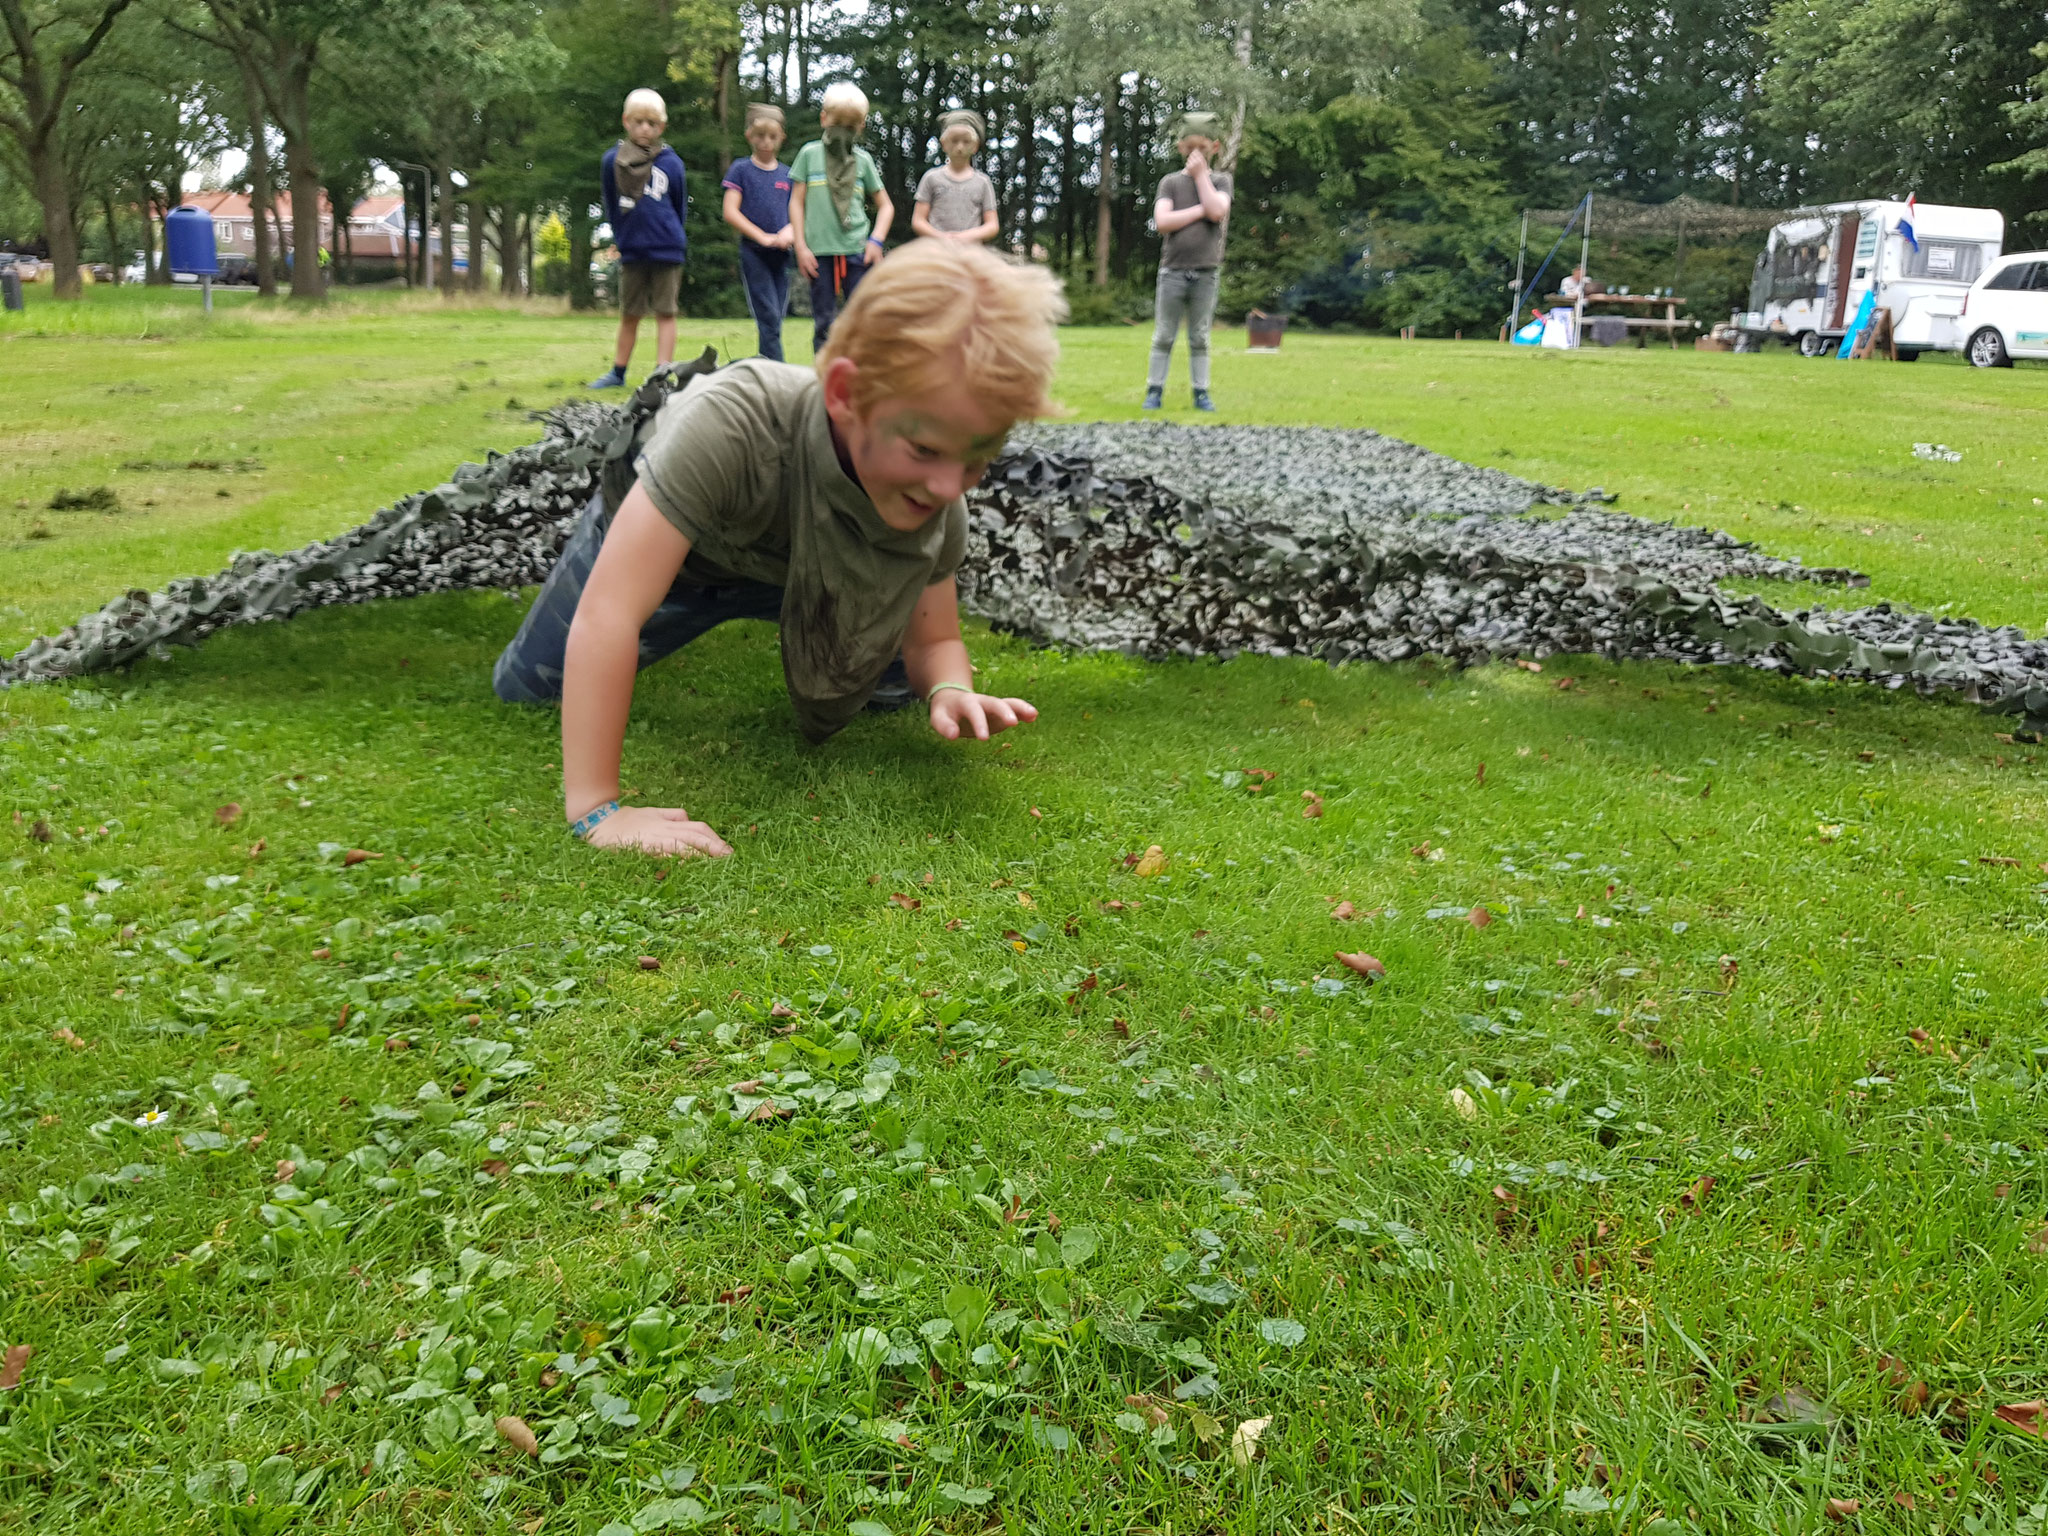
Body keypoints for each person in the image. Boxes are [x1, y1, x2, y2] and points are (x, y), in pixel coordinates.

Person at [492, 239, 1066, 860]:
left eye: (977, 459)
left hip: (804, 567)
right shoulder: (729, 422)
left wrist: (950, 689)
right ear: (846, 394)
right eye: (924, 450)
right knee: (530, 683)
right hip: (685, 557)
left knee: (891, 691)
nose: (951, 487)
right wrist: (597, 808)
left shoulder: (936, 499)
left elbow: (934, 640)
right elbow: (611, 612)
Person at [591, 89, 689, 389]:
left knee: (666, 312)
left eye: (652, 123)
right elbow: (611, 203)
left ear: (662, 126)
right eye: (638, 122)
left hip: (667, 249)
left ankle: (661, 376)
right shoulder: (612, 161)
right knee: (630, 313)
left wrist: (675, 239)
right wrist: (622, 238)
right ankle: (617, 373)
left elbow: (679, 204)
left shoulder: (672, 163)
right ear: (626, 122)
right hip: (632, 250)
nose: (645, 128)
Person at [789, 83, 895, 352]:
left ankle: (861, 381)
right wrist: (801, 246)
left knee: (861, 321)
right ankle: (823, 383)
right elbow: (796, 202)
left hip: (857, 252)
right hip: (818, 254)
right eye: (838, 123)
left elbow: (886, 206)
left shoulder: (863, 161)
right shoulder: (809, 154)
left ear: (861, 126)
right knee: (824, 321)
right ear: (824, 118)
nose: (842, 132)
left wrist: (876, 242)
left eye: (850, 126)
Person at [1145, 112, 1232, 414]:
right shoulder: (1169, 183)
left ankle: (1201, 393)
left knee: (1199, 337)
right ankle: (1154, 391)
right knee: (1164, 335)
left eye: (1203, 147)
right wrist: (1199, 211)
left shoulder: (1222, 181)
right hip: (1172, 272)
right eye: (1190, 147)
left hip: (1207, 273)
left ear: (1215, 147)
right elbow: (1162, 222)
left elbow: (1218, 211)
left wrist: (1200, 177)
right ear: (1181, 147)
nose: (1197, 153)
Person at [722, 103, 795, 361]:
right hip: (754, 253)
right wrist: (762, 237)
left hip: (782, 255)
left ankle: (765, 368)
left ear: (781, 138)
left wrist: (790, 231)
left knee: (776, 317)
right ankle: (778, 371)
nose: (766, 142)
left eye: (772, 137)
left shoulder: (789, 174)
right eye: (760, 136)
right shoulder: (741, 170)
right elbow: (730, 211)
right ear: (749, 136)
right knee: (768, 315)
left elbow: (798, 212)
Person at [911, 109, 1000, 245]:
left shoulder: (983, 182)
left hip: (971, 255)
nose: (959, 147)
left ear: (975, 146)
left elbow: (992, 225)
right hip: (936, 252)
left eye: (966, 141)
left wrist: (966, 236)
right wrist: (941, 237)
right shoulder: (931, 178)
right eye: (954, 141)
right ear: (943, 144)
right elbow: (918, 220)